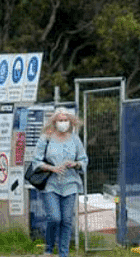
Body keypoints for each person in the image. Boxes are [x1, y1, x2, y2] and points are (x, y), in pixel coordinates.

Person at [32, 107, 88, 257]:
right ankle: (49, 248)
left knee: (67, 220)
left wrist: (75, 164)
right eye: (60, 120)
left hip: (71, 184)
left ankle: (64, 253)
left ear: (70, 122)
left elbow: (83, 160)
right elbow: (36, 162)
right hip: (51, 183)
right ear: (54, 122)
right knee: (55, 218)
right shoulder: (46, 138)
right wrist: (52, 168)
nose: (63, 123)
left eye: (65, 120)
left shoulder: (75, 139)